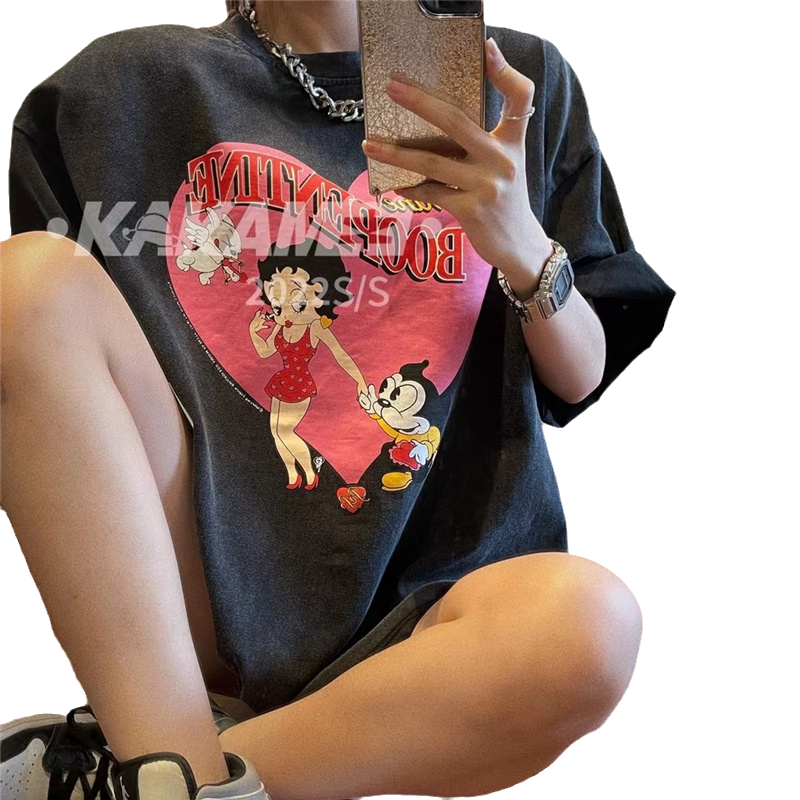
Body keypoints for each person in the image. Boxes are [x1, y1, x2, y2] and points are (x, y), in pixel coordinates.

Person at [0, 1, 677, 798]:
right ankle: (223, 760)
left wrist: (522, 244)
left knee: (590, 626)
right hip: (215, 587)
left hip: (449, 609)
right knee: (24, 286)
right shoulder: (116, 93)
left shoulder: (512, 82)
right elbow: (59, 395)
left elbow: (580, 376)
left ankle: (168, 771)